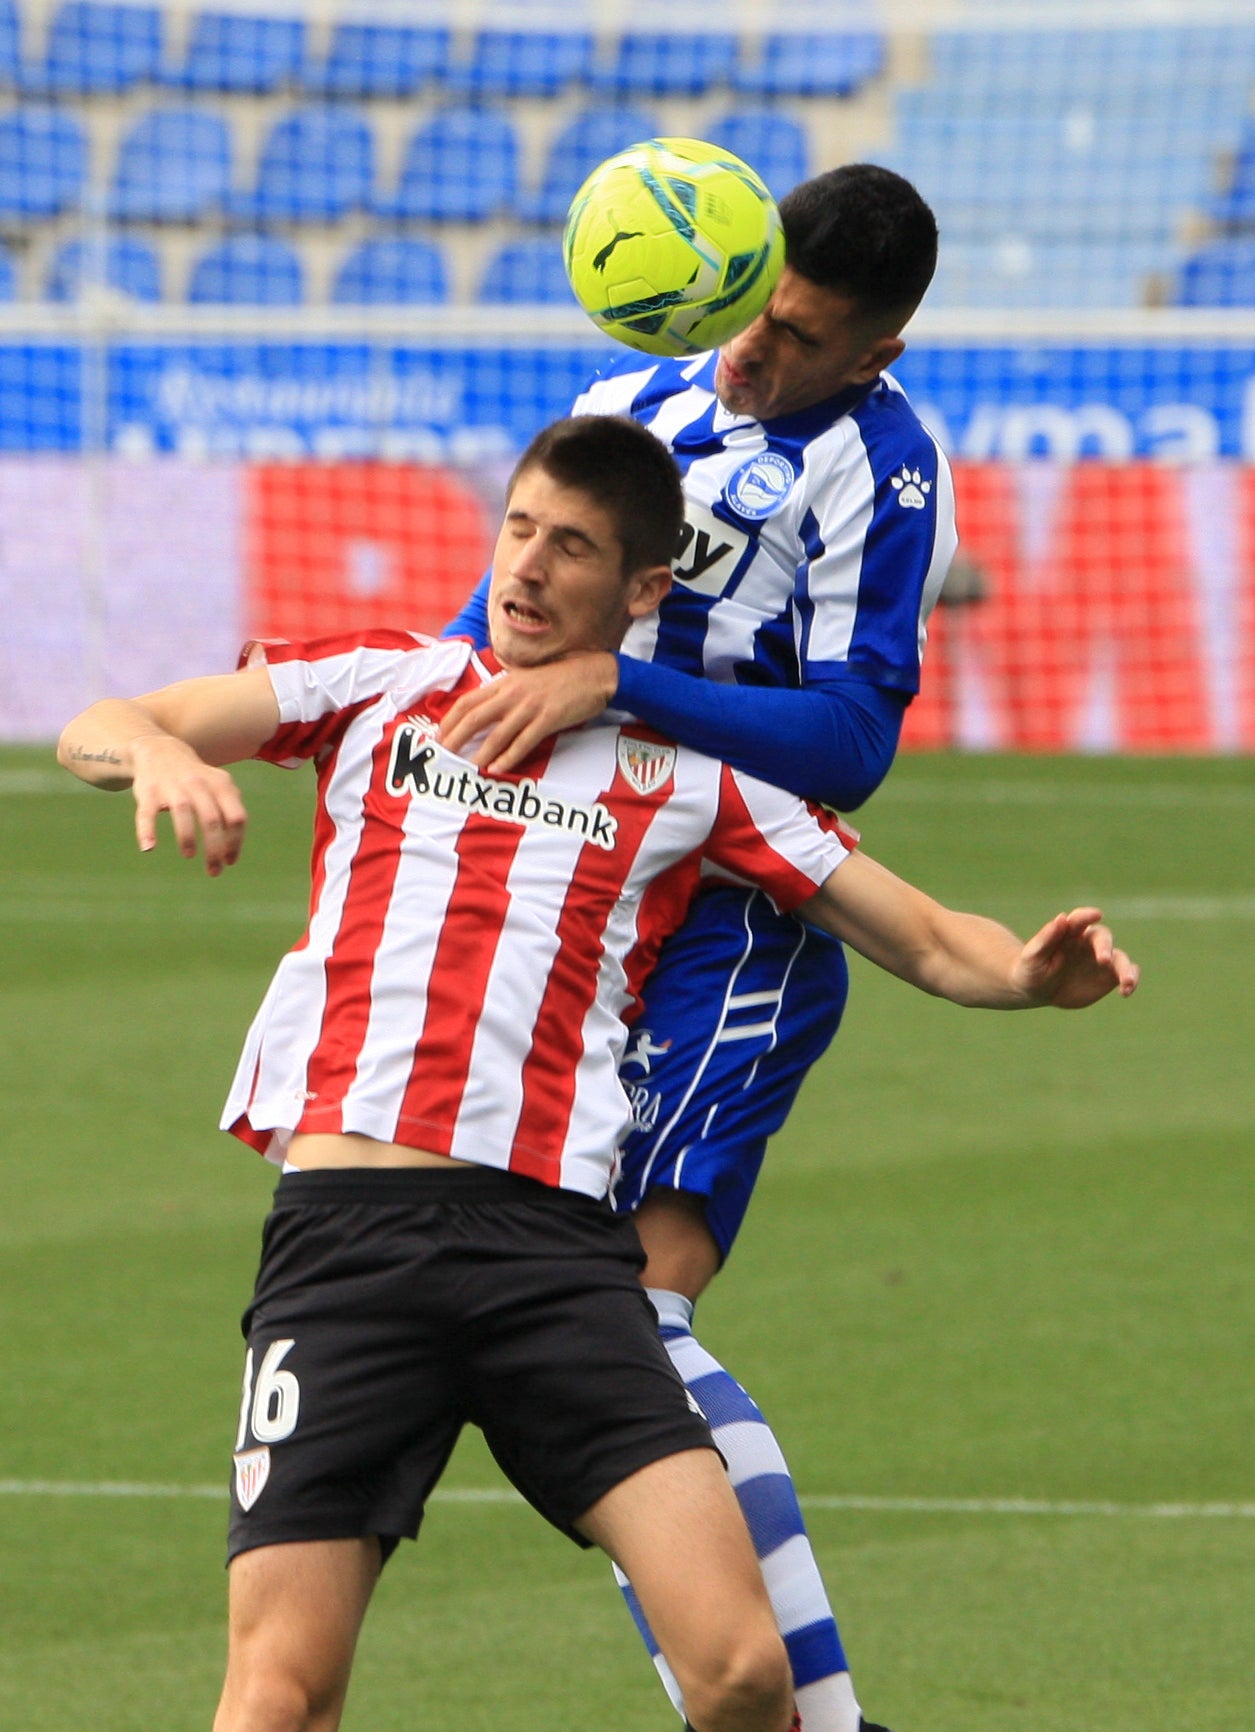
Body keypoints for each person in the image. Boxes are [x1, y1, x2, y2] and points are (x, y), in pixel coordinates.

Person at [59, 417, 1135, 1732]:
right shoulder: (379, 681)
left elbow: (918, 931)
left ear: (639, 591)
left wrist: (1029, 975)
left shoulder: (688, 781)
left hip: (552, 1259)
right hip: (349, 1250)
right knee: (278, 1697)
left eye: (568, 546)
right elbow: (102, 724)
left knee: (743, 1675)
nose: (524, 568)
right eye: (517, 527)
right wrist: (163, 751)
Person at [440, 164, 956, 1731]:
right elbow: (496, 631)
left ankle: (796, 1710)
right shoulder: (631, 392)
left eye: (798, 339)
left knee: (629, 1308)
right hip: (574, 903)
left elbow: (854, 740)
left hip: (737, 915)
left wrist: (624, 687)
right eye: (751, 307)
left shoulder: (884, 466)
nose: (751, 351)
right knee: (568, 1331)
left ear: (872, 350)